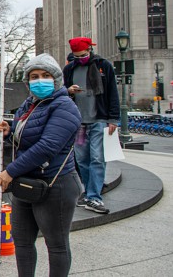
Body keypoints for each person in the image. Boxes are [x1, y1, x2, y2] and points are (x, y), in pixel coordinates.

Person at [0, 53, 82, 277]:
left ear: (56, 79)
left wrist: (9, 171)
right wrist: (9, 131)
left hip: (56, 185)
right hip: (26, 183)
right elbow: (25, 138)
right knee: (22, 242)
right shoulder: (28, 105)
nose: (39, 80)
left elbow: (47, 146)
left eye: (45, 75)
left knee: (57, 245)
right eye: (34, 76)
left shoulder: (65, 107)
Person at [62, 37, 119, 214]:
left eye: (84, 55)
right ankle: (88, 193)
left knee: (97, 158)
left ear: (90, 50)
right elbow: (62, 92)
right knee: (82, 160)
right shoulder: (69, 69)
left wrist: (113, 119)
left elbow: (112, 92)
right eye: (77, 56)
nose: (81, 58)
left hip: (99, 119)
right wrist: (68, 90)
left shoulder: (104, 66)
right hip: (79, 122)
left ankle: (94, 196)